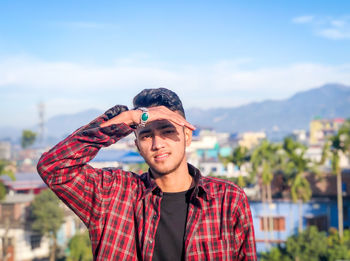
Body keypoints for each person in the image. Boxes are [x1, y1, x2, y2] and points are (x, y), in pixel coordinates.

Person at [37, 88, 257, 261]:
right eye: (146, 135)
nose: (157, 144)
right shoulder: (112, 195)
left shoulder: (227, 199)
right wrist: (134, 116)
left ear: (187, 136)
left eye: (167, 131)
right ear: (137, 143)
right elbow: (54, 167)